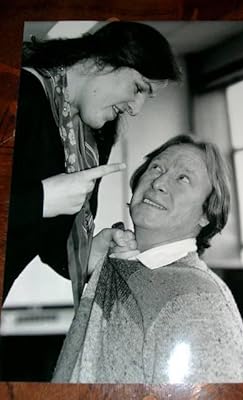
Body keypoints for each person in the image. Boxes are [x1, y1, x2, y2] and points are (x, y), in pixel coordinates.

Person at [3, 21, 180, 306]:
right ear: (100, 61)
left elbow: (50, 246)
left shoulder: (94, 138)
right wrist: (42, 200)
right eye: (138, 88)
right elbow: (33, 209)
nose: (136, 109)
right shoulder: (16, 92)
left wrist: (90, 253)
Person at [52, 135, 243, 384]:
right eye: (156, 167)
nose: (159, 182)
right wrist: (87, 265)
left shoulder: (201, 303)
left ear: (206, 214)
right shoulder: (120, 260)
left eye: (183, 178)